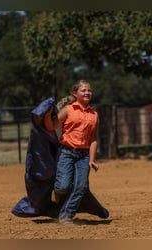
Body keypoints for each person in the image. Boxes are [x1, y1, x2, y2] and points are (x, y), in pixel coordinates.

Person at [44, 80, 100, 224]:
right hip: (66, 153)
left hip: (84, 155)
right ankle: (56, 197)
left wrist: (92, 159)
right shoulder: (68, 110)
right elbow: (52, 127)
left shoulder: (94, 114)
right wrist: (46, 115)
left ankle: (66, 215)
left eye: (89, 90)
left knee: (80, 186)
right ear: (75, 94)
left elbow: (93, 138)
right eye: (83, 90)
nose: (87, 92)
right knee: (63, 186)